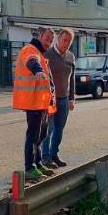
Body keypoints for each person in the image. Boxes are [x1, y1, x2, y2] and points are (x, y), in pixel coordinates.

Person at [12, 28, 56, 181]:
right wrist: (37, 70)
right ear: (40, 36)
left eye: (51, 41)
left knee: (40, 135)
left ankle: (37, 163)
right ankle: (30, 168)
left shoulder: (40, 54)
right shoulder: (30, 50)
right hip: (33, 103)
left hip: (41, 103)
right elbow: (31, 61)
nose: (49, 43)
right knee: (33, 136)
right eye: (47, 39)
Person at [42, 28, 76, 168]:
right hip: (49, 99)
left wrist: (71, 98)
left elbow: (72, 78)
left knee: (59, 129)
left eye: (69, 41)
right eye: (64, 40)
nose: (67, 43)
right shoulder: (47, 54)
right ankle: (45, 158)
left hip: (63, 99)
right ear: (58, 39)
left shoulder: (70, 57)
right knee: (48, 130)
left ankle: (54, 154)